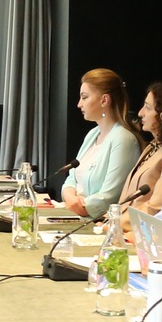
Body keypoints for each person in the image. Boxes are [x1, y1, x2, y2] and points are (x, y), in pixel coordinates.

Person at [59, 69, 140, 218]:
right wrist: (70, 198)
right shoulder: (93, 134)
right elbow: (71, 178)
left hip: (97, 222)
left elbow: (109, 197)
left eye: (84, 97)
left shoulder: (123, 140)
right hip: (76, 215)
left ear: (104, 100)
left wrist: (79, 206)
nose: (79, 104)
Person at [117, 80, 162, 215]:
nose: (140, 113)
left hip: (136, 225)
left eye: (148, 107)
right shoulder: (153, 145)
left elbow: (155, 207)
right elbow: (126, 201)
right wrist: (108, 219)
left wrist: (116, 221)